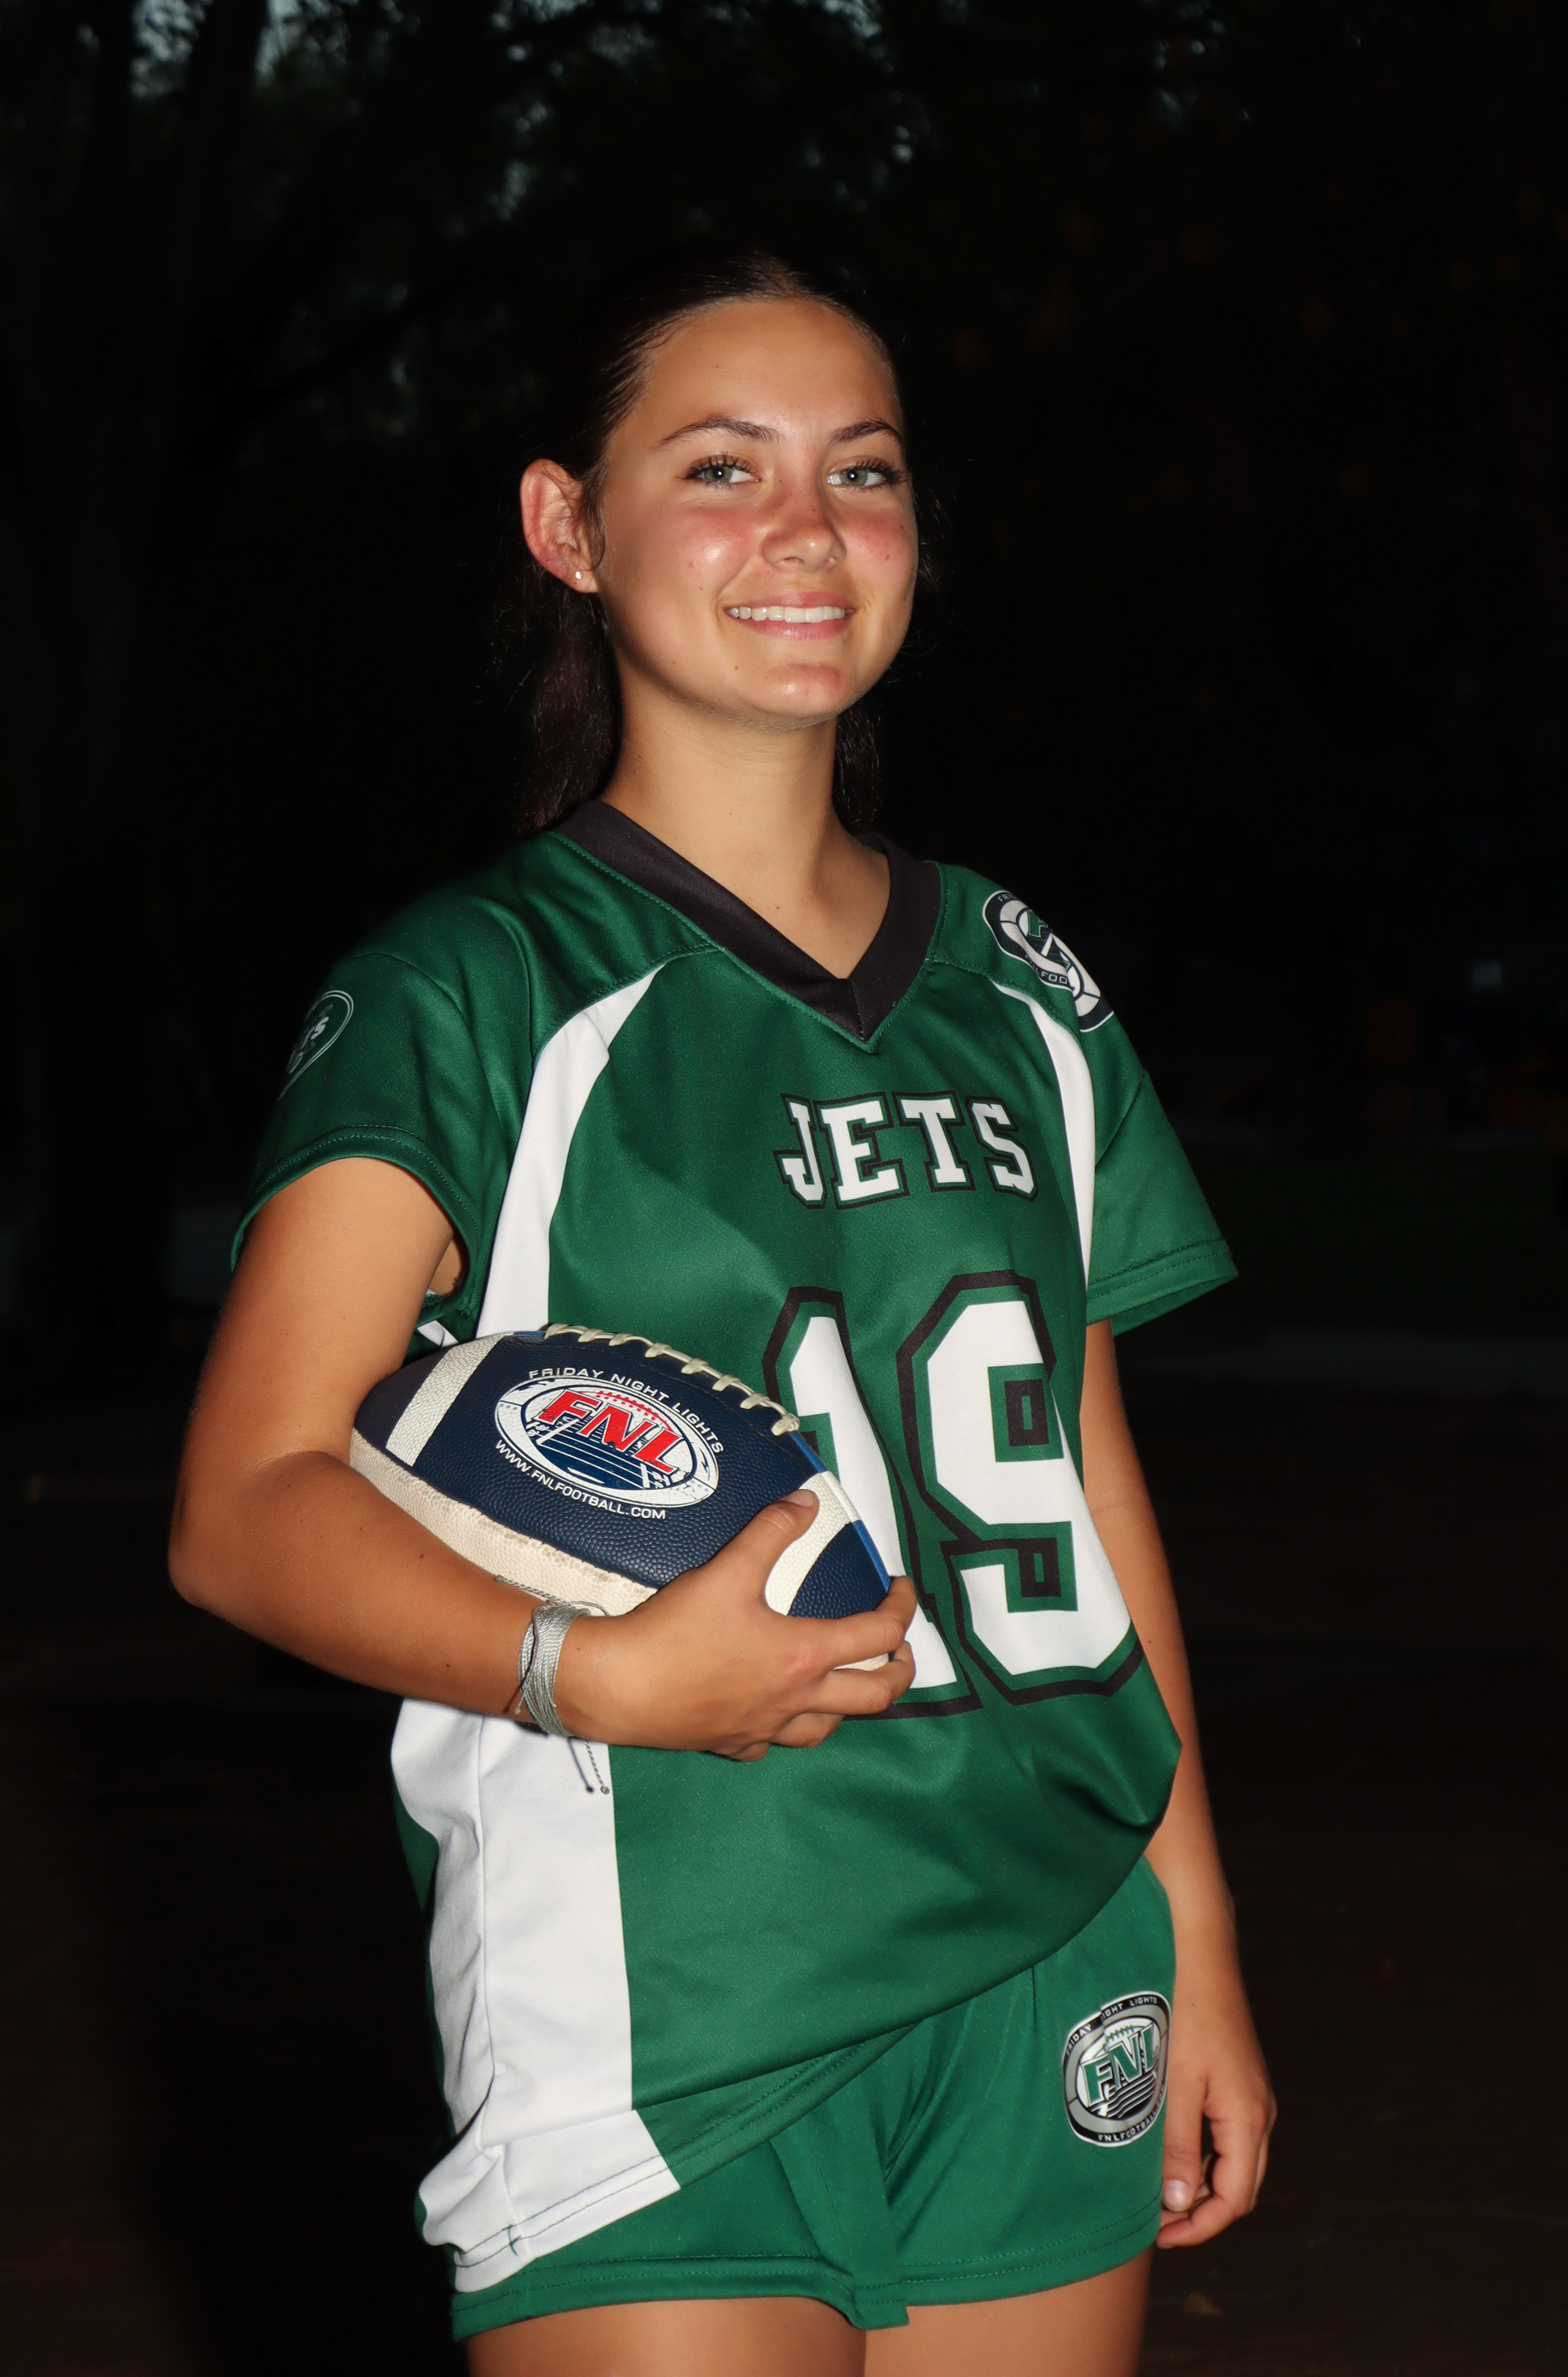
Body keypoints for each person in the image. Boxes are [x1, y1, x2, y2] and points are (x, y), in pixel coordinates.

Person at [171, 247, 1275, 2377]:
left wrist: (1198, 1919)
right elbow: (245, 1502)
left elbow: (1084, 1473)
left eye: (862, 469)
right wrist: (587, 1669)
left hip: (1054, 1941)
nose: (807, 529)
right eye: (719, 466)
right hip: (677, 1979)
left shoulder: (1021, 983)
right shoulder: (474, 988)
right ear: (565, 525)